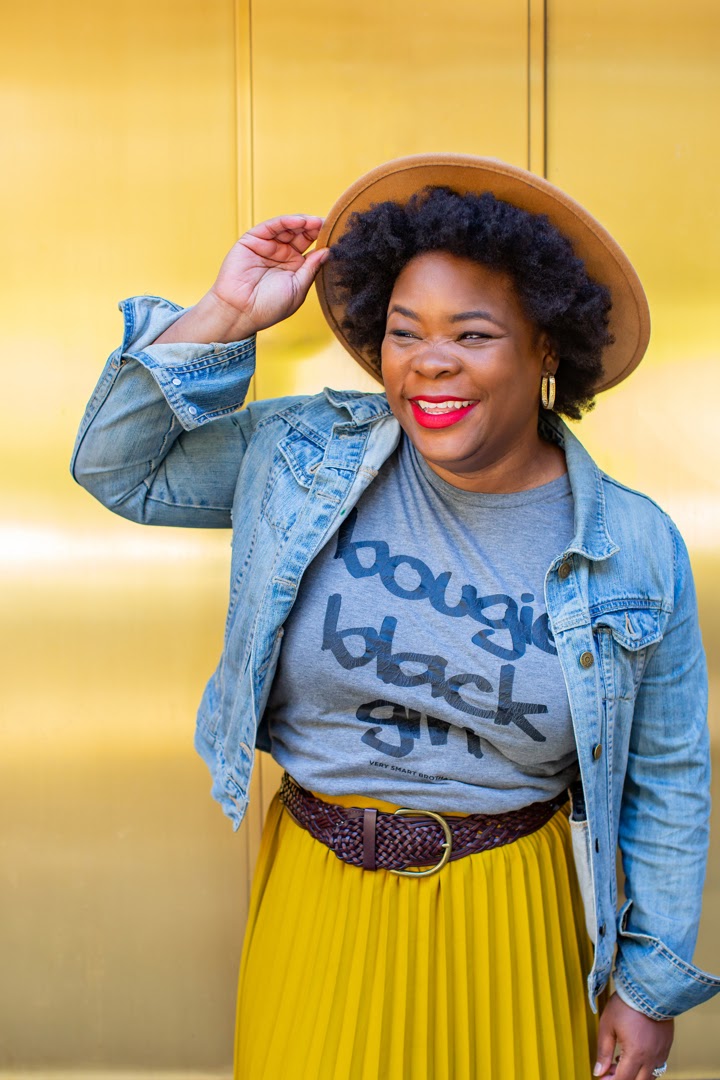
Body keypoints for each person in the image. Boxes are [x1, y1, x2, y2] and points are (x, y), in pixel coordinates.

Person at [71, 154, 720, 1079]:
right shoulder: (304, 454)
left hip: (511, 914)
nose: (429, 361)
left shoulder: (634, 546)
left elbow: (668, 776)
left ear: (547, 347)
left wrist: (649, 987)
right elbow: (119, 468)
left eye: (473, 333)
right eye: (403, 331)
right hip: (318, 898)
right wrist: (224, 314)